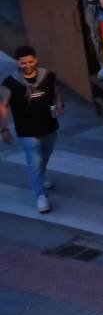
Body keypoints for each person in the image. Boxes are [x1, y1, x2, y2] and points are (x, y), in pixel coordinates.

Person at [0, 46, 64, 214]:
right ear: (17, 63)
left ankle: (41, 178)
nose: (27, 65)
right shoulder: (11, 82)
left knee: (45, 156)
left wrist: (59, 104)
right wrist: (4, 128)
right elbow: (3, 105)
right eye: (23, 63)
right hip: (27, 131)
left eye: (30, 61)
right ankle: (40, 196)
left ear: (35, 60)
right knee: (34, 162)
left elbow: (57, 93)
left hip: (49, 126)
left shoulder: (47, 76)